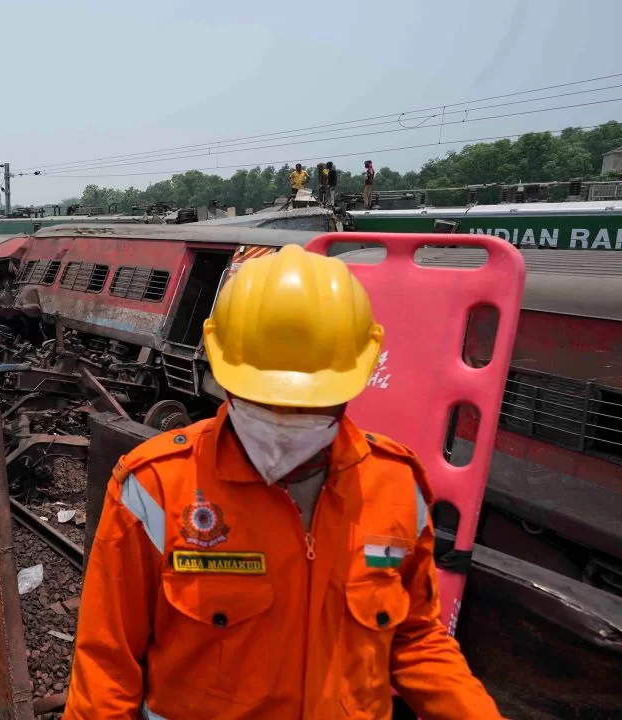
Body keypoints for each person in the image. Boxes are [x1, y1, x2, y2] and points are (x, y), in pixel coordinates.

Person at [64, 244, 501, 719]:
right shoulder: (156, 487)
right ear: (223, 375)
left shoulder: (397, 486)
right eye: (263, 397)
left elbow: (417, 638)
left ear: (357, 380)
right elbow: (107, 667)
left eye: (310, 401)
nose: (283, 419)